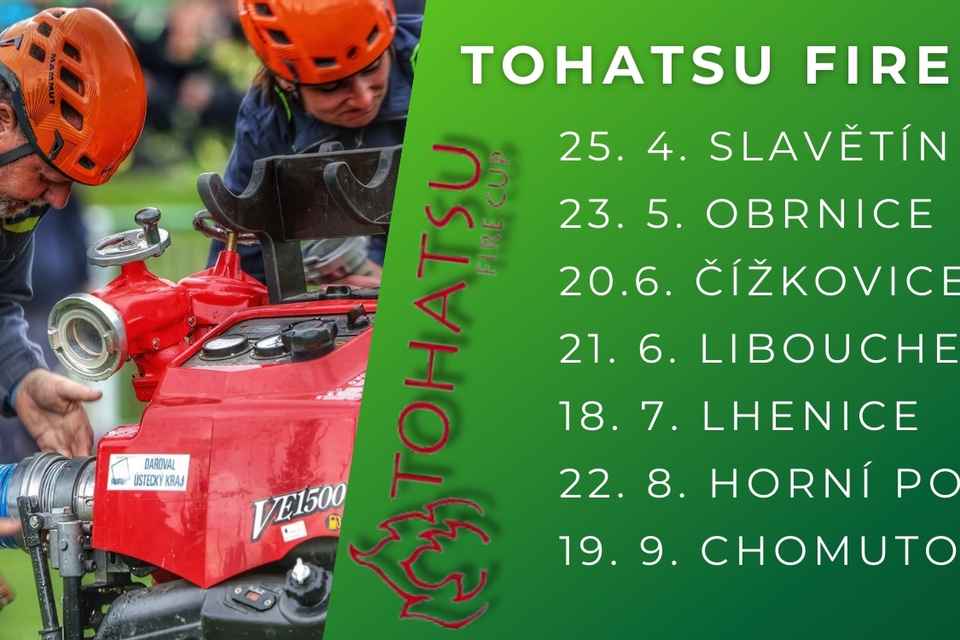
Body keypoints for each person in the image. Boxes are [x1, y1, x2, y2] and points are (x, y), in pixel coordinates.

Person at [0, 6, 147, 608]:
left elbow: (0, 301)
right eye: (46, 174)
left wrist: (21, 376)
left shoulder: (13, 196)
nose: (58, 202)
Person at [207, 0, 422, 285]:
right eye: (331, 85)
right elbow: (243, 273)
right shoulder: (267, 122)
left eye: (372, 67)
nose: (364, 98)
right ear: (285, 81)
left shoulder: (452, 59)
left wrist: (397, 282)